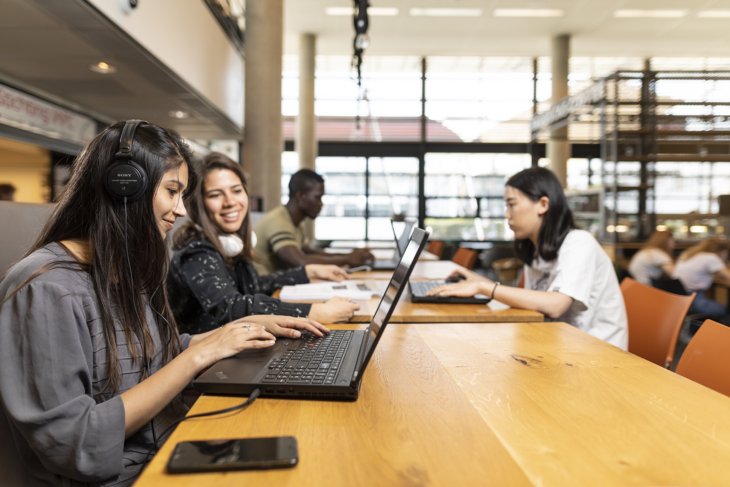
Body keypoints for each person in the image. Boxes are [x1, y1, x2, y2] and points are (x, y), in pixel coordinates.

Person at [0, 121, 328, 486]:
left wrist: (235, 331)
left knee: (307, 451)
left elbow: (156, 356)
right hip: (125, 477)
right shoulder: (46, 289)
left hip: (163, 448)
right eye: (172, 191)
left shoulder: (121, 269)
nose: (181, 210)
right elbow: (75, 442)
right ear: (124, 187)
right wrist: (197, 356)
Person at [427, 167, 628, 349]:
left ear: (542, 204)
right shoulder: (536, 248)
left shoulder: (579, 242)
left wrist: (485, 288)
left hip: (598, 356)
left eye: (512, 205)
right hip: (560, 345)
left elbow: (555, 306)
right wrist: (478, 281)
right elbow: (534, 302)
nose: (507, 215)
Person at [168, 152, 359, 334]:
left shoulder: (229, 244)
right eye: (215, 195)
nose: (230, 202)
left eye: (236, 191)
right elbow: (231, 307)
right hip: (212, 364)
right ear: (199, 204)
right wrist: (316, 312)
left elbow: (256, 285)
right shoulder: (197, 252)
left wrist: (308, 272)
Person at [254, 168, 374, 274]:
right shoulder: (278, 221)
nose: (321, 204)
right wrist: (347, 259)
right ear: (300, 196)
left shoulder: (293, 222)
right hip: (263, 292)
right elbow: (302, 262)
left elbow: (311, 253)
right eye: (317, 197)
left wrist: (350, 256)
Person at [673, 237, 730, 318]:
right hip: (693, 300)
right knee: (724, 310)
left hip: (678, 298)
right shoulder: (711, 257)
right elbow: (727, 276)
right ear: (723, 251)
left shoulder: (688, 254)